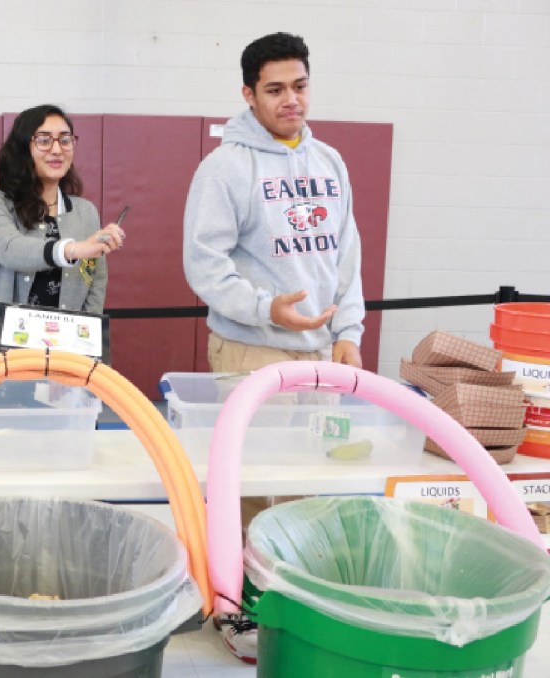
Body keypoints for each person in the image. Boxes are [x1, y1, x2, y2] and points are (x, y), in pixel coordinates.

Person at [182, 32, 366, 664]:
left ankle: (291, 604)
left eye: (300, 85)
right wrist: (267, 310)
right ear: (248, 94)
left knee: (307, 489)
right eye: (276, 89)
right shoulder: (226, 167)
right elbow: (203, 266)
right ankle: (237, 609)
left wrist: (347, 333)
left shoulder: (330, 162)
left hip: (320, 357)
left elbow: (347, 257)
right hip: (251, 353)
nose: (292, 100)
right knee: (250, 489)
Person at [0, 104, 126, 365]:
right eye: (43, 140)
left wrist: (88, 348)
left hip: (63, 355)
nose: (56, 149)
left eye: (65, 140)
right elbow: (11, 249)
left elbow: (95, 282)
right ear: (22, 148)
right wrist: (72, 249)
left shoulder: (85, 212)